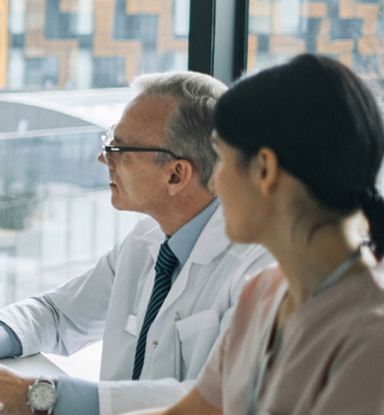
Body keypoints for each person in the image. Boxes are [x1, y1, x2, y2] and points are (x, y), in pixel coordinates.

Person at [0, 72, 275, 415]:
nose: (103, 159)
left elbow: (209, 401)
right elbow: (58, 314)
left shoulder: (257, 268)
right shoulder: (146, 240)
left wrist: (42, 396)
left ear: (175, 175)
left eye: (118, 148)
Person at [127, 55, 384, 415]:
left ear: (264, 170)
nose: (214, 181)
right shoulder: (260, 293)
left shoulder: (372, 338)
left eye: (220, 158)